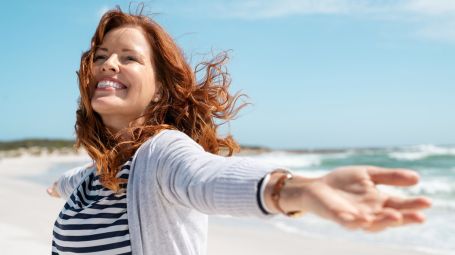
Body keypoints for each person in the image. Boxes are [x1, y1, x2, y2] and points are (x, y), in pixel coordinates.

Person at [47, 6, 431, 255]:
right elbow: (74, 177)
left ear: (161, 88)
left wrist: (295, 190)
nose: (109, 64)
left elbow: (207, 177)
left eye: (129, 58)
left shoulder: (160, 155)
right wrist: (56, 185)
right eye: (101, 57)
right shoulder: (97, 173)